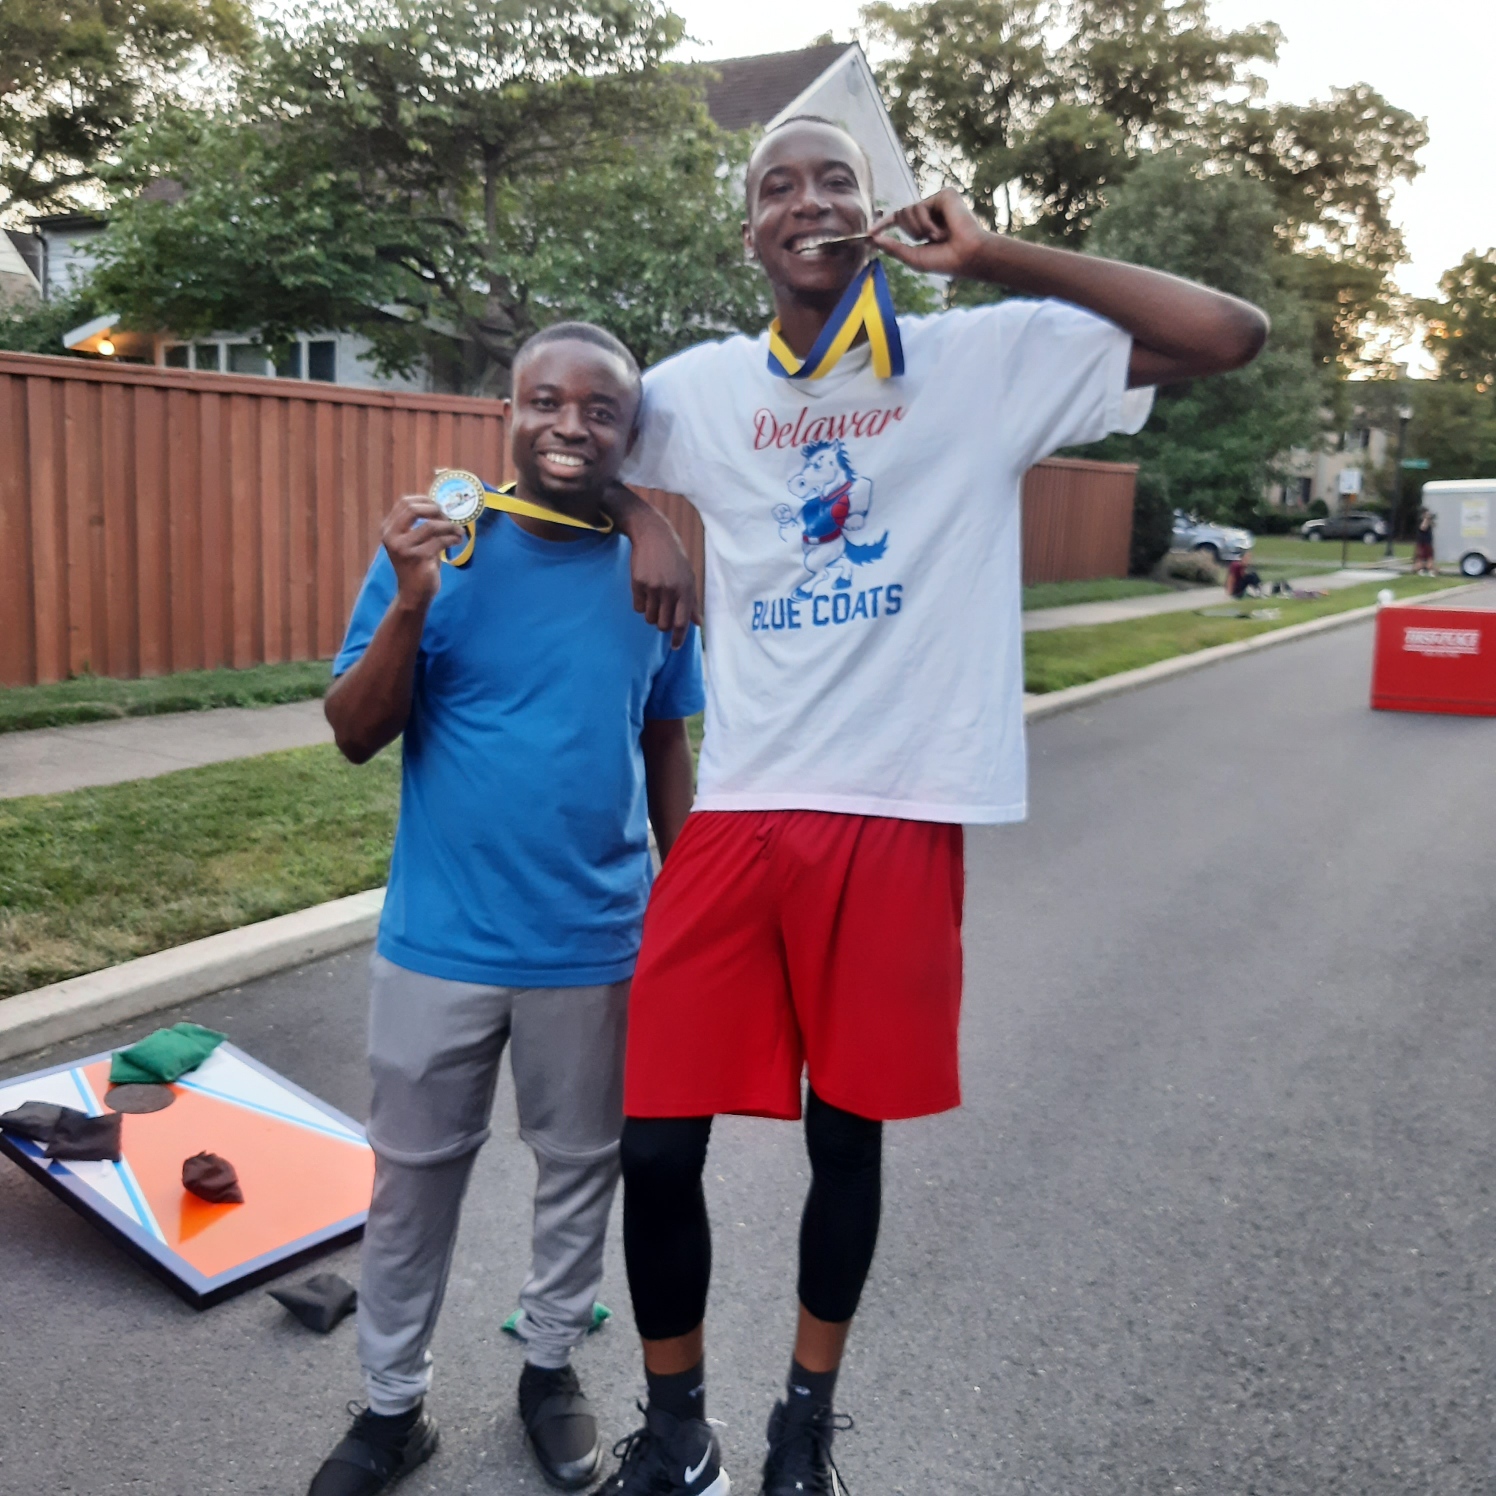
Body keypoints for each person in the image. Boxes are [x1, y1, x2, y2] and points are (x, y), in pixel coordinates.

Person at [601, 115, 1269, 1496]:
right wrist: (640, 515)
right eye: (776, 185)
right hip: (740, 814)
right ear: (750, 233)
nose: (807, 199)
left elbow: (1227, 333)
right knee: (656, 1148)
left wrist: (996, 254)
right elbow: (551, 422)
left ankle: (804, 1422)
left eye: (834, 177)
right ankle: (678, 1428)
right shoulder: (701, 387)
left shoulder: (984, 359)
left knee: (849, 1137)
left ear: (877, 208)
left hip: (898, 810)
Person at [310, 322, 704, 1496]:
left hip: (594, 941)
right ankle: (392, 1406)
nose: (570, 425)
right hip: (439, 937)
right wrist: (411, 602)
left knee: (579, 1167)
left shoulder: (657, 569)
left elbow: (663, 740)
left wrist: (685, 915)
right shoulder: (441, 544)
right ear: (506, 410)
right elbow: (351, 732)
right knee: (412, 1176)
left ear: (627, 432)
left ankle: (547, 1370)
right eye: (546, 401)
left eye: (598, 410)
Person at [1413, 508, 1437, 575]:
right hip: (1422, 543)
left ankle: (1430, 569)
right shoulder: (1421, 520)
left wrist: (1430, 520)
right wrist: (1426, 519)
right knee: (1420, 557)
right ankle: (1419, 570)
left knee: (1430, 557)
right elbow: (1423, 527)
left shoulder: (1429, 521)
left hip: (1428, 542)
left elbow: (1434, 525)